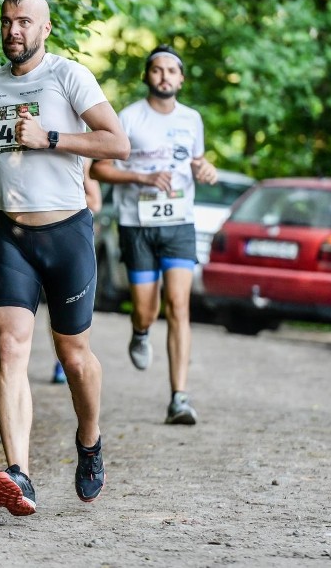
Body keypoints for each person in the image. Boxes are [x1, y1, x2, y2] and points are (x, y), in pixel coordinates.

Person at [0, 0, 129, 516]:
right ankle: (20, 474)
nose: (14, 30)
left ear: (46, 29)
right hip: (9, 235)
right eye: (8, 21)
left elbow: (116, 142)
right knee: (9, 346)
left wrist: (52, 138)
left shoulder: (69, 75)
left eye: (25, 22)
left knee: (73, 356)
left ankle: (90, 439)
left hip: (66, 234)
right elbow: (9, 133)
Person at [90, 44, 217, 426]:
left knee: (179, 305)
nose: (164, 76)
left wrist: (206, 171)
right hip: (137, 225)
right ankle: (141, 330)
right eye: (156, 70)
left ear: (181, 79)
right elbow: (99, 169)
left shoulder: (192, 119)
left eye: (171, 71)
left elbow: (196, 164)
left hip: (179, 222)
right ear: (147, 76)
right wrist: (142, 177)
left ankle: (179, 397)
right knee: (147, 308)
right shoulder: (128, 118)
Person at [52, 158, 102, 384]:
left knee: (71, 310)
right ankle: (59, 360)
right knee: (54, 308)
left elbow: (96, 202)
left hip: (74, 238)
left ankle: (68, 360)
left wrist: (60, 198)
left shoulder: (82, 160)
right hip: (43, 235)